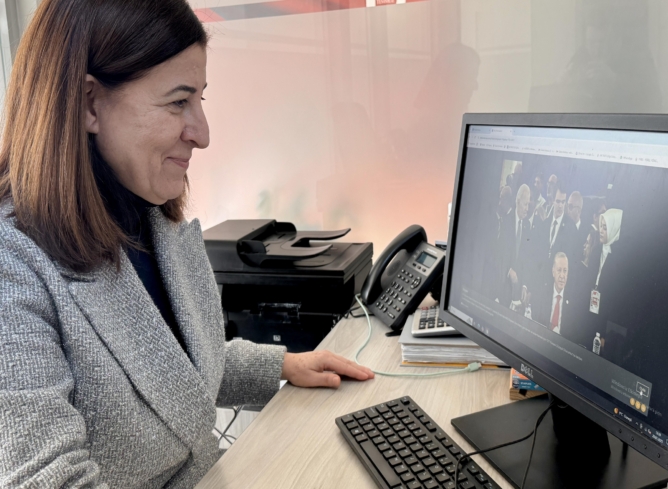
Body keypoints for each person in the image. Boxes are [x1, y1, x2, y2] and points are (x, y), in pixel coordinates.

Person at [0, 1, 374, 488]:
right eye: (178, 102)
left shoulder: (152, 218)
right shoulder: (13, 264)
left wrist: (283, 365)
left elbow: (178, 370)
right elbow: (46, 479)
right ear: (90, 104)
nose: (202, 134)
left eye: (200, 99)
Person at [497, 184, 531, 309]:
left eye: (528, 205)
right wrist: (508, 270)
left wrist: (524, 286)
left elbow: (526, 258)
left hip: (517, 291)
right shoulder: (506, 221)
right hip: (503, 285)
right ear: (517, 201)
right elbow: (499, 253)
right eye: (525, 204)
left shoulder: (527, 226)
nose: (527, 208)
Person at [533, 252, 572, 335]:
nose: (562, 275)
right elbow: (536, 321)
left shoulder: (572, 301)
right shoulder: (542, 294)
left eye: (565, 271)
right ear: (553, 271)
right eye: (559, 270)